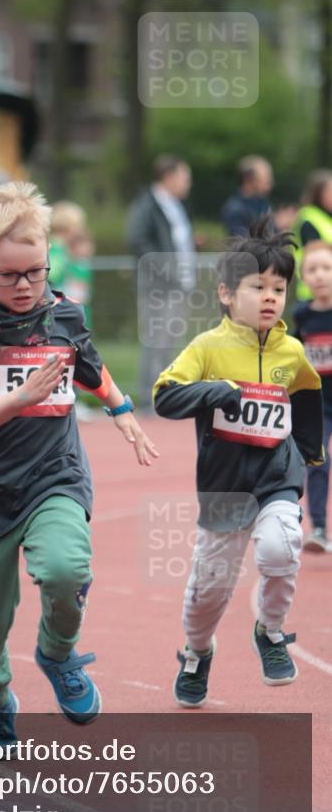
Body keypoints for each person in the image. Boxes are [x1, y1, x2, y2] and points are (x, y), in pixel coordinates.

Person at [0, 181, 159, 745]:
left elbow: (90, 367)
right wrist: (23, 395)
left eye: (35, 272)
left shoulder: (65, 313)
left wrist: (122, 409)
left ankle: (57, 653)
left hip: (53, 476)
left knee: (68, 569)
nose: (24, 286)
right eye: (8, 274)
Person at [153, 217, 323, 707]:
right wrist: (215, 391)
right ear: (227, 293)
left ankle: (270, 632)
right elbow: (165, 395)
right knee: (211, 590)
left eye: (279, 288)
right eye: (258, 287)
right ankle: (196, 651)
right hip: (224, 485)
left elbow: (309, 392)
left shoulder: (291, 351)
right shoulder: (207, 347)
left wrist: (310, 451)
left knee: (280, 548)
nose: (271, 297)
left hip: (276, 476)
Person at [126, 155, 196, 412]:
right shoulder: (147, 205)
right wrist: (167, 270)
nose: (188, 183)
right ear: (168, 177)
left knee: (169, 343)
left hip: (180, 285)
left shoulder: (176, 206)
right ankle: (148, 400)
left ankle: (163, 396)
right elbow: (137, 240)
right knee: (155, 341)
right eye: (184, 177)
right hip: (158, 287)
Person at [292, 241, 332, 554]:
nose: (319, 275)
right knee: (317, 460)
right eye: (312, 269)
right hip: (318, 405)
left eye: (327, 268)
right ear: (303, 276)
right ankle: (318, 527)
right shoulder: (301, 316)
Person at [292, 168, 332, 300]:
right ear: (318, 193)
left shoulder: (326, 217)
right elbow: (316, 256)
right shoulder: (309, 218)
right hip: (313, 293)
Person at [220, 155, 273, 236]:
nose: (269, 185)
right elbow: (243, 244)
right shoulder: (235, 209)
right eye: (266, 179)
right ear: (249, 178)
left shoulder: (262, 203)